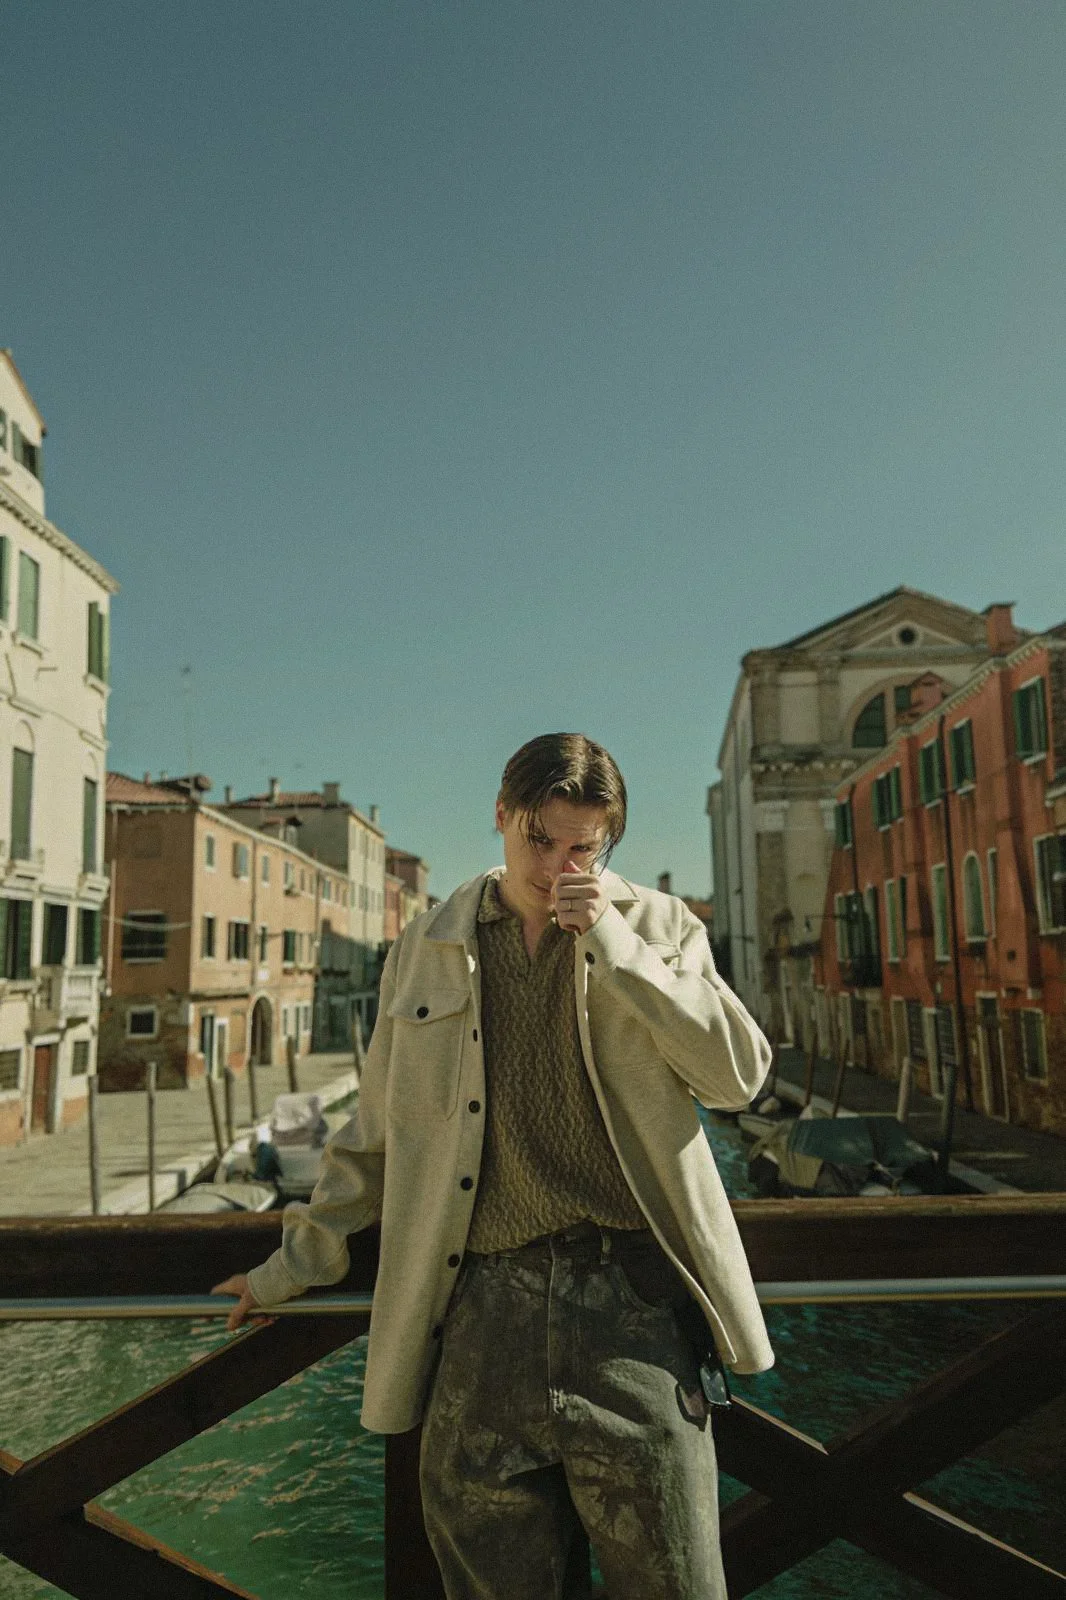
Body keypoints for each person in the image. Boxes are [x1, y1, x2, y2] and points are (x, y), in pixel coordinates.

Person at [213, 732, 774, 1599]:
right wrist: (289, 1268)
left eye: (583, 846)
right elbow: (372, 1139)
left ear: (608, 840)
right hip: (477, 1315)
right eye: (539, 840)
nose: (557, 866)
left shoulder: (660, 928)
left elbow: (737, 1078)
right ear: (503, 818)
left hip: (632, 1310)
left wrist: (617, 951)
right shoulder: (425, 947)